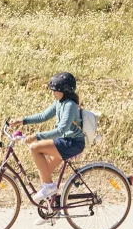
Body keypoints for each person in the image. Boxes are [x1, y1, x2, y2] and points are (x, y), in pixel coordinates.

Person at [8, 71, 85, 206]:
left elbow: (61, 130)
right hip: (64, 141)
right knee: (44, 173)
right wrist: (22, 120)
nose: (52, 93)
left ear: (65, 91)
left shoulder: (70, 106)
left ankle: (50, 187)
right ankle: (52, 208)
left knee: (35, 148)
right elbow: (43, 116)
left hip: (73, 143)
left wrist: (37, 136)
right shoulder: (59, 102)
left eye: (55, 90)